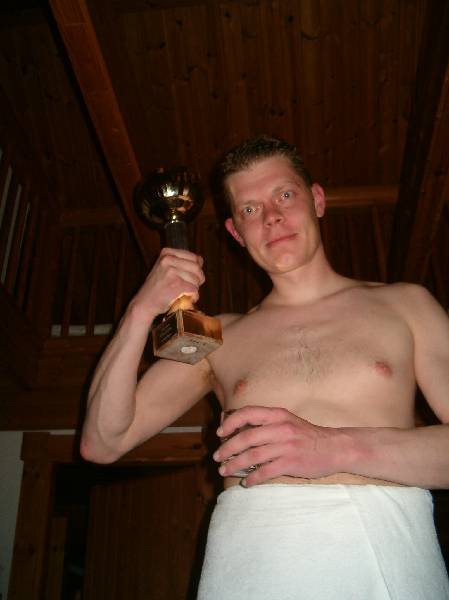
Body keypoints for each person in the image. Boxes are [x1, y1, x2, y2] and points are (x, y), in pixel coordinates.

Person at [81, 136, 449, 599]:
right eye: (250, 210)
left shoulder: (406, 305)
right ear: (236, 233)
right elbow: (103, 441)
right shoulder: (215, 335)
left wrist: (335, 448)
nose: (271, 216)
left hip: (386, 553)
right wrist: (140, 311)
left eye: (285, 195)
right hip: (252, 564)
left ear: (317, 200)